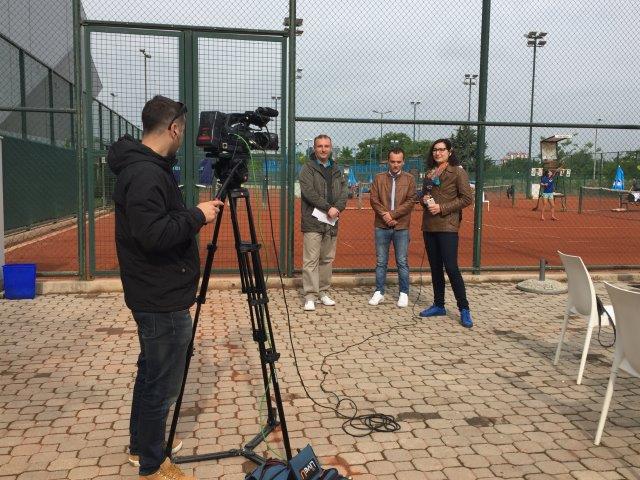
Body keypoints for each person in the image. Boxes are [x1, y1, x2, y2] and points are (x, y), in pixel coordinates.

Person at [108, 95, 223, 480]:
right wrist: (197, 216)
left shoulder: (146, 168)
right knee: (161, 383)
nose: (183, 137)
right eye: (183, 130)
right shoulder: (145, 173)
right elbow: (153, 234)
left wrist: (189, 216)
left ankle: (142, 446)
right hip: (159, 297)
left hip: (155, 291)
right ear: (173, 128)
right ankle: (153, 465)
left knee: (150, 374)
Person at [418, 139, 474, 328]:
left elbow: (466, 198)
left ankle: (464, 309)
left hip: (448, 226)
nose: (438, 153)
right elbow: (424, 195)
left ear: (450, 152)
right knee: (435, 268)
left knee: (451, 267)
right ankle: (439, 305)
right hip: (429, 225)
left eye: (442, 150)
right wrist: (424, 199)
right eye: (435, 150)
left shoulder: (458, 172)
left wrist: (442, 207)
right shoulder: (429, 173)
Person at [299, 134, 348, 311]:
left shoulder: (337, 169)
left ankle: (323, 292)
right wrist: (328, 208)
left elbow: (344, 192)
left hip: (331, 220)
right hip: (313, 221)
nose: (323, 149)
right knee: (311, 260)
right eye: (320, 146)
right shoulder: (307, 168)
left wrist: (337, 208)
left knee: (327, 259)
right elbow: (308, 192)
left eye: (326, 146)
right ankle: (310, 296)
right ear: (314, 148)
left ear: (331, 148)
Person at [368, 147, 417, 307]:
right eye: (392, 161)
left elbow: (411, 201)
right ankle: (379, 292)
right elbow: (374, 199)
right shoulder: (379, 178)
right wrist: (385, 215)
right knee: (381, 261)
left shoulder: (410, 179)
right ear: (388, 162)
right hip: (381, 226)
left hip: (401, 226)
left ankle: (403, 293)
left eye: (398, 162)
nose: (395, 165)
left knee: (402, 261)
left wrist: (393, 215)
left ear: (403, 162)